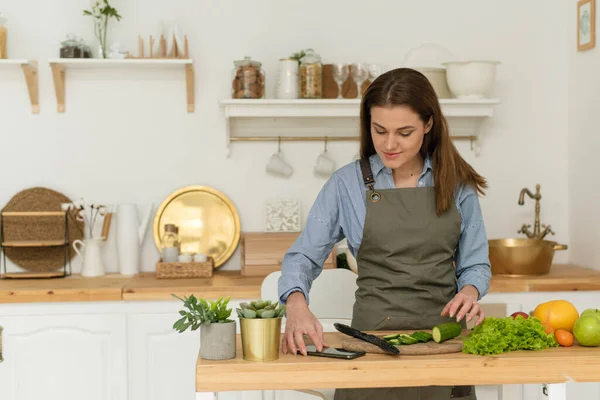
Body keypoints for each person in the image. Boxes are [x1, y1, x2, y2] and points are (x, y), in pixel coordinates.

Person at [277, 67, 492, 400]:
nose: (389, 144)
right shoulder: (345, 184)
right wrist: (296, 303)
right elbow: (303, 255)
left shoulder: (457, 185)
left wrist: (470, 291)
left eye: (404, 132)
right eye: (379, 131)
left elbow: (476, 264)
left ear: (428, 124)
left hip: (444, 344)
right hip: (370, 346)